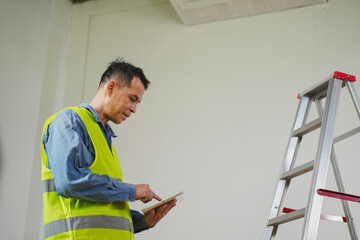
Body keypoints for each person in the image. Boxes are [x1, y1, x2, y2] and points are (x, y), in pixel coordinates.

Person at [41, 58, 176, 240]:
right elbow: (70, 182)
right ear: (111, 87)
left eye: (138, 103)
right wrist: (133, 191)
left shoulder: (105, 139)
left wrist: (144, 221)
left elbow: (99, 211)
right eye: (132, 99)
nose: (134, 109)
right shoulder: (69, 122)